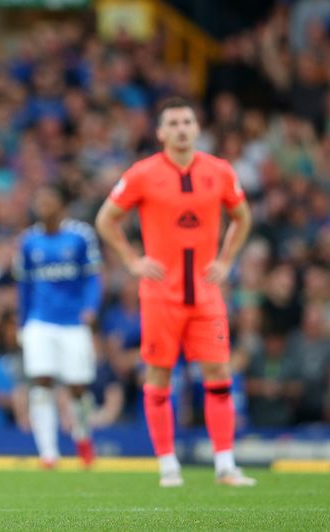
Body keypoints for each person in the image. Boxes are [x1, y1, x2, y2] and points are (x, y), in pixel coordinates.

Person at [95, 98, 256, 487]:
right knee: (159, 374)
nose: (182, 128)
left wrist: (226, 259)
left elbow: (242, 217)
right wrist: (133, 262)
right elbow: (106, 220)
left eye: (188, 121)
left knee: (218, 372)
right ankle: (168, 465)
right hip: (160, 294)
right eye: (174, 122)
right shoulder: (142, 174)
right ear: (161, 132)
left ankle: (225, 465)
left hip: (206, 292)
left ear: (197, 128)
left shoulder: (218, 171)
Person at [14, 185, 102, 468]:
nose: (43, 206)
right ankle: (48, 453)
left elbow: (92, 277)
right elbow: (24, 286)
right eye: (40, 201)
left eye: (49, 200)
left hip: (73, 321)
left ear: (61, 206)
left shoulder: (80, 235)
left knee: (78, 386)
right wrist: (23, 322)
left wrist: (91, 308)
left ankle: (83, 434)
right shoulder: (28, 241)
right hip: (39, 321)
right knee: (41, 380)